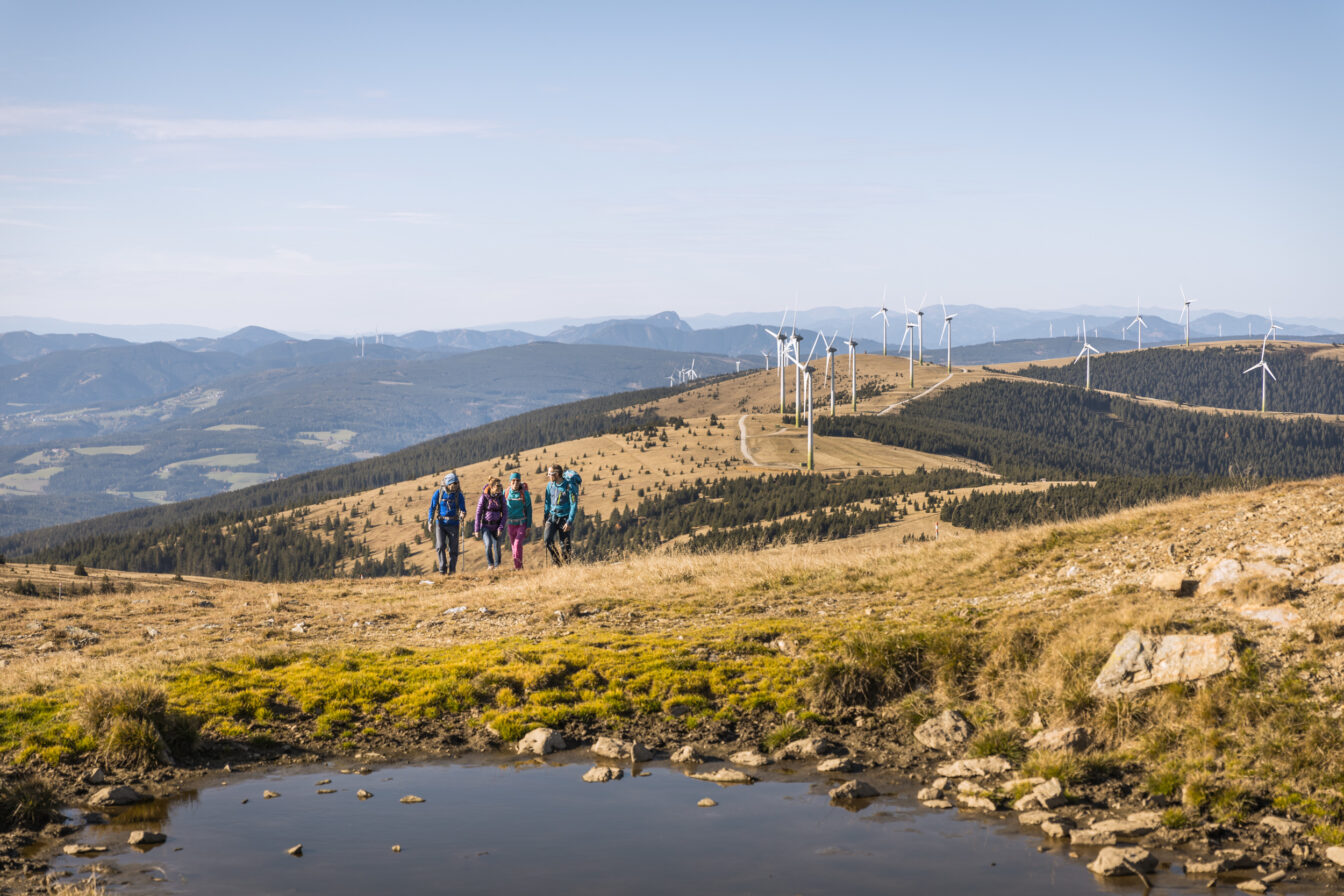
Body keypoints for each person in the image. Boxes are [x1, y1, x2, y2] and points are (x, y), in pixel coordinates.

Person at [427, 472, 466, 574]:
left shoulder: (459, 495)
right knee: (440, 546)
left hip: (454, 523)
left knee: (453, 549)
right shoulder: (439, 493)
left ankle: (452, 571)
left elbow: (463, 509)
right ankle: (442, 570)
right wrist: (430, 521)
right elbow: (432, 507)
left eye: (456, 484)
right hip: (441, 523)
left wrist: (462, 514)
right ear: (448, 484)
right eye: (453, 484)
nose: (455, 487)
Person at [543, 464, 578, 566]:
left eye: (550, 474)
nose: (549, 476)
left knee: (565, 544)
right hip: (552, 517)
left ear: (557, 474)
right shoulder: (549, 486)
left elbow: (574, 504)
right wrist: (545, 517)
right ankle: (557, 562)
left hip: (565, 518)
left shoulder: (569, 486)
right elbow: (547, 502)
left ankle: (567, 566)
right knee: (547, 540)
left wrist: (569, 521)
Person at [474, 477, 507, 570]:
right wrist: (476, 529)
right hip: (485, 526)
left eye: (500, 485)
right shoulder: (484, 497)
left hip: (497, 526)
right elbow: (478, 513)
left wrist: (500, 528)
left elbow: (505, 514)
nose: (500, 487)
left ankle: (498, 566)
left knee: (497, 546)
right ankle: (490, 564)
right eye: (497, 486)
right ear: (491, 487)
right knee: (488, 544)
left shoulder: (501, 498)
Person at [504, 472, 533, 570]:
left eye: (517, 480)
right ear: (510, 481)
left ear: (520, 481)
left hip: (522, 523)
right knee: (513, 546)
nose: (515, 483)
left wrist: (528, 526)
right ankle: (518, 566)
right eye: (513, 480)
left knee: (517, 544)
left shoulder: (524, 494)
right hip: (510, 524)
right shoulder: (506, 492)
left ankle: (518, 567)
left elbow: (529, 509)